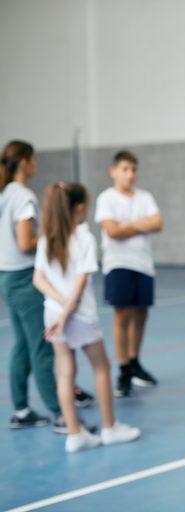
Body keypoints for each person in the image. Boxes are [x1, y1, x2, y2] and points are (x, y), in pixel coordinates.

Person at [32, 182, 141, 452]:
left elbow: (39, 279)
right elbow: (79, 286)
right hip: (79, 317)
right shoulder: (83, 238)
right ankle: (109, 427)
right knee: (101, 367)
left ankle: (74, 434)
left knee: (65, 374)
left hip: (54, 314)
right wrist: (66, 310)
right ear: (80, 208)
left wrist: (58, 310)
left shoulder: (46, 238)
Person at [0, 140, 93, 433]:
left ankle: (21, 408)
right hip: (23, 278)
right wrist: (54, 235)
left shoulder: (4, 193)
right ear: (25, 162)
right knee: (42, 346)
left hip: (6, 276)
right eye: (34, 160)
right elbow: (25, 241)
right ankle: (61, 414)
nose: (36, 165)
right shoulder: (23, 196)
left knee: (23, 346)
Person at [94, 151, 163, 397]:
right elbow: (112, 231)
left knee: (141, 314)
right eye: (124, 169)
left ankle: (134, 362)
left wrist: (127, 225)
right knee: (122, 315)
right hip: (118, 263)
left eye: (133, 169)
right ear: (113, 171)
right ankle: (123, 369)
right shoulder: (106, 199)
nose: (129, 174)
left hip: (143, 263)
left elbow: (157, 223)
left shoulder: (145, 197)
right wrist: (139, 224)